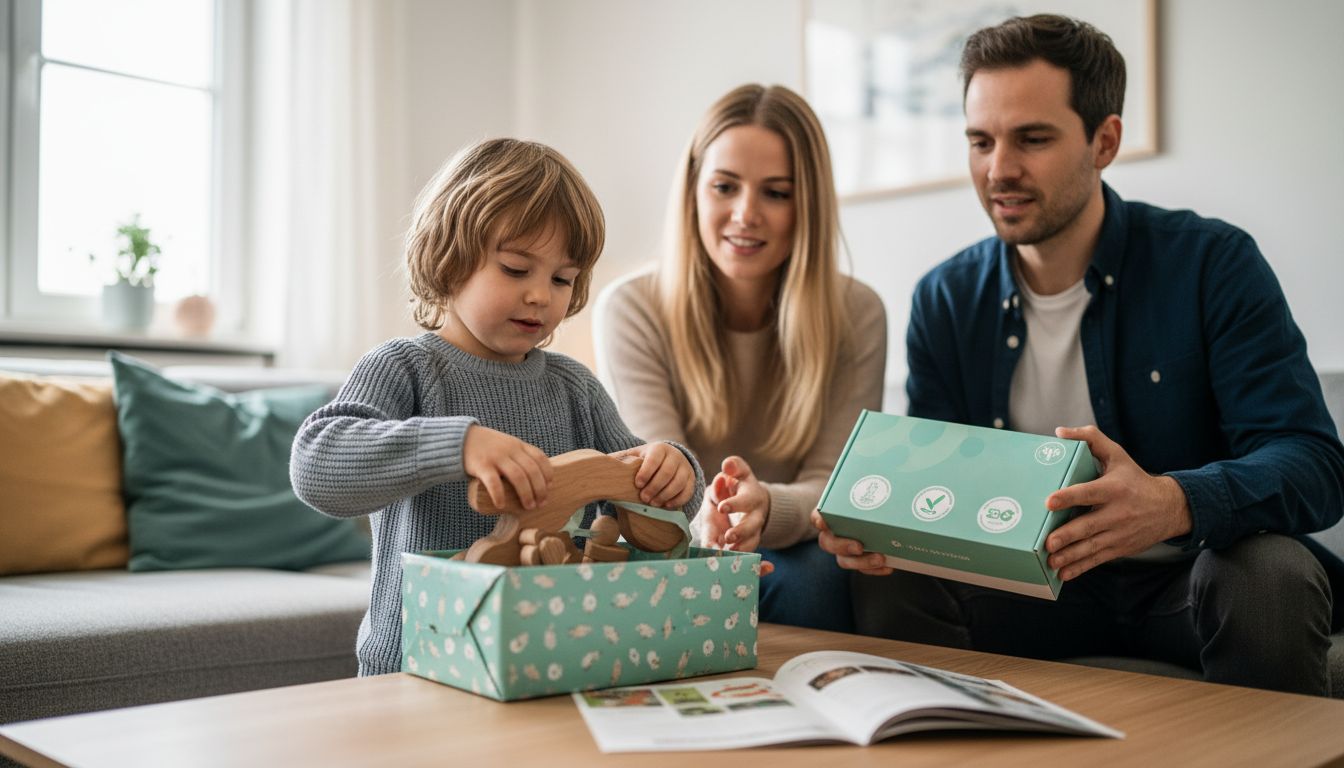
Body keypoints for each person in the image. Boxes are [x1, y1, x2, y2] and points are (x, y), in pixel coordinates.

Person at [814, 14, 1344, 695]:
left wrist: (1174, 502)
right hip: (1032, 592)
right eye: (980, 141)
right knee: (888, 579)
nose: (998, 170)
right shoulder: (945, 299)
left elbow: (1313, 463)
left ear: (1105, 141)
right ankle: (944, 738)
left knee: (1268, 574)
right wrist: (874, 524)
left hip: (1189, 579)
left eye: (1032, 139)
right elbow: (931, 495)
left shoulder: (1212, 264)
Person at [291, 138, 704, 677]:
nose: (541, 295)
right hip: (419, 664)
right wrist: (457, 444)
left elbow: (652, 501)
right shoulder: (403, 368)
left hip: (554, 660)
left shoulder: (575, 387)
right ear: (448, 259)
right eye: (515, 269)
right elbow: (316, 466)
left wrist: (674, 469)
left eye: (561, 279)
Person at [595, 84, 887, 633]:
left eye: (776, 193)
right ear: (693, 193)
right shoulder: (631, 309)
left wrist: (764, 508)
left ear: (808, 206)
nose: (746, 214)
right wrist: (714, 514)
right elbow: (655, 481)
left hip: (796, 543)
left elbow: (835, 482)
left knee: (817, 578)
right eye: (725, 187)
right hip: (676, 538)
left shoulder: (857, 313)